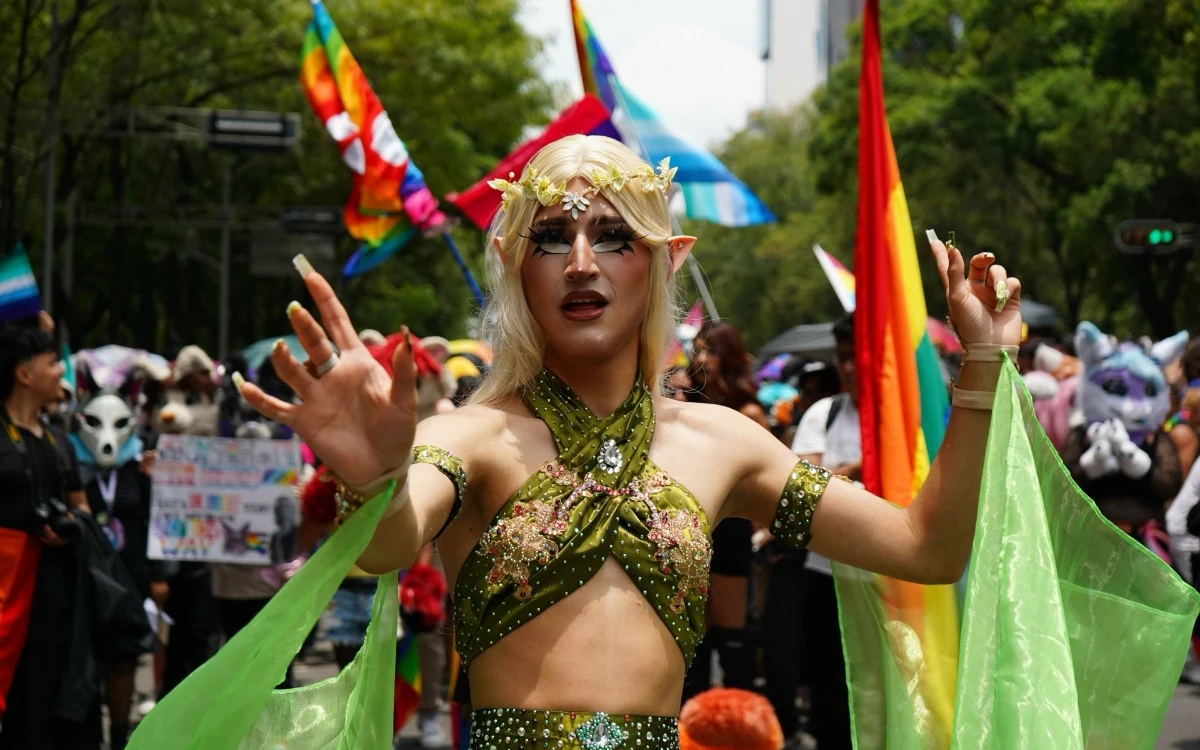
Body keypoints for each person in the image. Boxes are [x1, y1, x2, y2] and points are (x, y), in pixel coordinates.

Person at [236, 135, 1021, 749]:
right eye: (551, 237)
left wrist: (982, 367)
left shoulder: (725, 444)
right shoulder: (472, 435)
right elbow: (389, 542)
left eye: (613, 235)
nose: (582, 263)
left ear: (663, 259)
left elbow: (928, 549)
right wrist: (374, 475)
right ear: (513, 263)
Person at [0, 321, 97, 748]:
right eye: (53, 362)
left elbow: (82, 508)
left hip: (60, 598)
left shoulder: (61, 441)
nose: (62, 371)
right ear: (24, 374)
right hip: (8, 597)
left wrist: (72, 525)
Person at [769, 313, 859, 749]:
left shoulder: (912, 420)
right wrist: (859, 469)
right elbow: (800, 484)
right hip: (830, 577)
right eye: (843, 358)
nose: (850, 367)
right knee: (834, 691)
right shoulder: (825, 414)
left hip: (902, 585)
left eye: (859, 356)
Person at [682, 322, 766, 700]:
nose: (700, 358)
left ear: (728, 358)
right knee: (694, 644)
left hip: (729, 530)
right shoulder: (686, 406)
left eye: (710, 351)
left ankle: (741, 727)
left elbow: (767, 482)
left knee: (733, 642)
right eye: (697, 349)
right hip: (689, 531)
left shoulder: (747, 412)